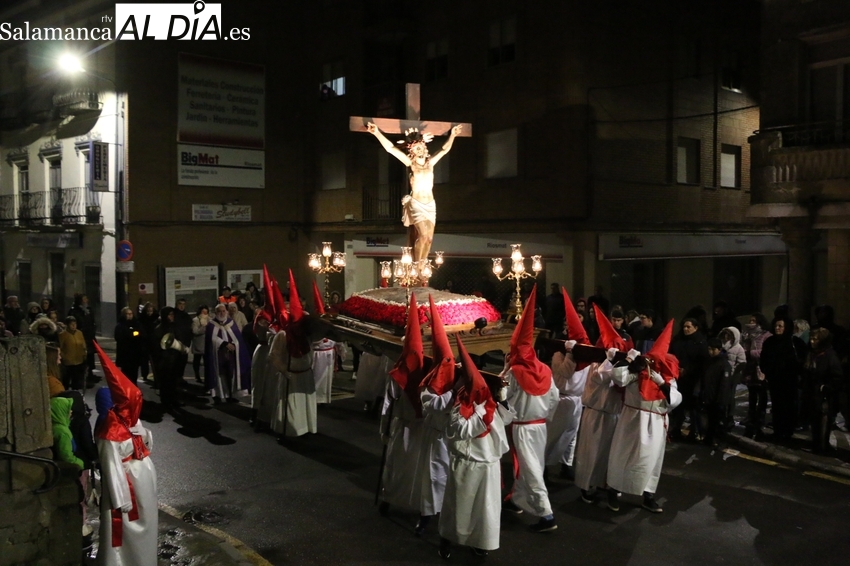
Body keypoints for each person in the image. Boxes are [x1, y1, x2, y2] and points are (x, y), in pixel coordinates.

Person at [438, 335, 514, 560]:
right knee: (458, 506)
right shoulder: (459, 406)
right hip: (466, 463)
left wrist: (500, 401)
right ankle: (447, 539)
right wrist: (483, 411)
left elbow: (506, 420)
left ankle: (481, 541)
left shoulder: (489, 402)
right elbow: (461, 430)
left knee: (485, 508)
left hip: (488, 464)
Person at [501, 285, 560, 533]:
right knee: (533, 464)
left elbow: (503, 395)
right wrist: (546, 416)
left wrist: (504, 370)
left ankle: (547, 515)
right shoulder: (545, 369)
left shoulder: (515, 372)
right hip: (540, 426)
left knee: (530, 468)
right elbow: (555, 397)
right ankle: (516, 499)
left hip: (523, 427)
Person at [607, 320, 682, 513]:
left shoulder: (667, 379)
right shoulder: (637, 373)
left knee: (651, 461)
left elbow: (675, 400)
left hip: (655, 423)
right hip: (633, 421)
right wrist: (629, 362)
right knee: (623, 456)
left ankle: (648, 496)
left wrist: (661, 382)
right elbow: (619, 378)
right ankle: (613, 491)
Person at [93, 342, 157, 566]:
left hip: (142, 484)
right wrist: (121, 499)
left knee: (147, 525)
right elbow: (111, 466)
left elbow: (145, 446)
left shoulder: (131, 421)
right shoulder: (110, 431)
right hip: (127, 488)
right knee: (124, 532)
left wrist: (145, 434)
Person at [366, 122, 462, 263]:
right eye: (416, 148)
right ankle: (417, 264)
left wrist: (453, 135)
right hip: (417, 203)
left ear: (425, 148)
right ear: (412, 151)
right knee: (423, 236)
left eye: (421, 147)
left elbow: (444, 150)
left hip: (431, 204)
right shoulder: (410, 164)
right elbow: (391, 148)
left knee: (429, 239)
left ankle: (423, 264)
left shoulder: (430, 164)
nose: (419, 150)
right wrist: (376, 133)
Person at [378, 294, 427, 522]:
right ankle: (392, 498)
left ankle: (396, 499)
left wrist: (384, 429)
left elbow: (388, 404)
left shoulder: (400, 375)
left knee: (402, 465)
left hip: (410, 426)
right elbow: (389, 402)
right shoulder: (418, 374)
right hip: (410, 427)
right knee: (405, 465)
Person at [574, 306, 628, 511]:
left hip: (613, 415)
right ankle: (586, 486)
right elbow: (601, 377)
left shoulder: (617, 365)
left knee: (608, 454)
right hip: (596, 413)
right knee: (591, 452)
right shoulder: (597, 365)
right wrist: (609, 360)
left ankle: (605, 483)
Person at [416, 295, 455, 536]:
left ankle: (447, 514)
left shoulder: (457, 379)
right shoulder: (428, 384)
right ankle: (427, 515)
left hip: (452, 437)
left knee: (451, 478)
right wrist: (452, 392)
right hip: (434, 435)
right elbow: (432, 404)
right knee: (432, 478)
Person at [544, 288, 591, 479]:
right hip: (562, 399)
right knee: (554, 434)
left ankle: (566, 464)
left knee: (571, 435)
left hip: (577, 399)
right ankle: (544, 465)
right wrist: (570, 354)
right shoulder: (559, 354)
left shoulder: (586, 357)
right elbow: (565, 372)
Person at [269, 270, 316, 438]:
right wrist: (284, 371)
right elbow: (274, 355)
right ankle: (288, 431)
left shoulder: (307, 334)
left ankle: (306, 429)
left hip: (305, 373)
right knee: (290, 405)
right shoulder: (283, 335)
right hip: (291, 374)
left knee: (305, 404)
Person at [760, 317, 806, 442]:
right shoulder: (770, 341)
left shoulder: (795, 342)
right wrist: (767, 372)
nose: (777, 328)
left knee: (789, 406)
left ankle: (788, 431)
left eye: (780, 326)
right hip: (775, 380)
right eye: (776, 326)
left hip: (790, 380)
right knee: (777, 406)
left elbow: (803, 359)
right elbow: (763, 358)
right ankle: (778, 431)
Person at [803, 328, 843, 453]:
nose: (812, 341)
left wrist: (825, 388)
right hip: (813, 394)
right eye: (811, 339)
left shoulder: (829, 355)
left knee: (823, 422)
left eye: (815, 339)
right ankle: (816, 445)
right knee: (814, 422)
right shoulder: (812, 354)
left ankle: (822, 447)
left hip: (824, 396)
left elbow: (837, 376)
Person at [669, 317, 709, 441]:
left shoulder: (700, 342)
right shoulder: (678, 340)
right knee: (678, 405)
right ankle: (676, 429)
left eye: (688, 327)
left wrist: (687, 370)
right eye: (684, 327)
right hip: (678, 377)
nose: (685, 329)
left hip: (693, 379)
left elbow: (702, 361)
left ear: (695, 328)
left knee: (693, 407)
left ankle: (694, 431)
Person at [205, 303, 252, 404]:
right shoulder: (211, 325)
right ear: (215, 312)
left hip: (231, 355)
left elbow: (238, 338)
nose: (222, 313)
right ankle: (219, 395)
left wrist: (234, 345)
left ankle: (231, 395)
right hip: (218, 355)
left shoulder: (231, 323)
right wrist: (223, 343)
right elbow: (211, 339)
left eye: (223, 311)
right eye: (219, 311)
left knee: (231, 375)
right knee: (220, 375)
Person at [155, 307, 191, 409]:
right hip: (165, 360)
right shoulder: (159, 329)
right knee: (166, 382)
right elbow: (157, 346)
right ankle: (166, 401)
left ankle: (173, 399)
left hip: (175, 358)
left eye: (172, 314)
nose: (172, 316)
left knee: (174, 381)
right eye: (170, 314)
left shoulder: (174, 326)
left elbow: (180, 338)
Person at [700, 338, 732, 447]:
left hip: (718, 399)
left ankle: (719, 441)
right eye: (709, 349)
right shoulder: (708, 362)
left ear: (719, 349)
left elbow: (724, 385)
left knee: (719, 421)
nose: (711, 352)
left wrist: (721, 400)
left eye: (713, 349)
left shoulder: (724, 364)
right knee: (710, 420)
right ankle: (709, 439)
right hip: (709, 396)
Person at [719, 326, 746, 429]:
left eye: (729, 335)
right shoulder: (721, 345)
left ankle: (729, 417)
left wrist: (734, 372)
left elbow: (742, 362)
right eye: (725, 334)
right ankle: (721, 415)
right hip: (722, 375)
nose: (726, 337)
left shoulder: (738, 348)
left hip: (732, 376)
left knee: (730, 396)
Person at [68, 294, 96, 382]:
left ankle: (90, 375)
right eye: (84, 299)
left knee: (90, 357)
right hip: (80, 337)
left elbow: (92, 322)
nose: (86, 300)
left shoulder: (89, 310)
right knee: (82, 358)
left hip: (89, 337)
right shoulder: (74, 311)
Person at [114, 308, 146, 384]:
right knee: (126, 373)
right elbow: (121, 337)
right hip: (125, 353)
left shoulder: (136, 324)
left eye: (131, 314)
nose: (129, 316)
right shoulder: (120, 325)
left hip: (135, 353)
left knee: (134, 372)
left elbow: (141, 333)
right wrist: (133, 334)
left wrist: (133, 334)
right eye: (127, 314)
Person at [312, 336, 345, 404]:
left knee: (326, 377)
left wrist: (340, 346)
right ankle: (314, 398)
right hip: (315, 353)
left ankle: (322, 398)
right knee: (315, 377)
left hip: (328, 353)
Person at [59, 316, 87, 391]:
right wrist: (63, 357)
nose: (74, 326)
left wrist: (84, 354)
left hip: (79, 360)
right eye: (72, 324)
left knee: (77, 381)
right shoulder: (63, 334)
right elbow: (60, 347)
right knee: (66, 380)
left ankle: (76, 393)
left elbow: (83, 345)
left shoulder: (79, 333)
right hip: (68, 362)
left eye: (75, 324)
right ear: (67, 325)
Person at [137, 302, 159, 381]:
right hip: (144, 342)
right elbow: (140, 329)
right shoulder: (141, 319)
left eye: (151, 310)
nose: (149, 311)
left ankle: (156, 375)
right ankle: (145, 375)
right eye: (148, 310)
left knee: (155, 360)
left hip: (154, 342)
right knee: (144, 360)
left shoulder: (156, 318)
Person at [191, 305, 210, 383]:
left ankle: (207, 377)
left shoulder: (209, 319)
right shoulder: (195, 320)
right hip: (198, 344)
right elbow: (195, 331)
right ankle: (197, 376)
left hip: (207, 344)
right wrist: (203, 327)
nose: (204, 313)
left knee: (207, 362)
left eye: (206, 312)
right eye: (203, 311)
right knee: (197, 361)